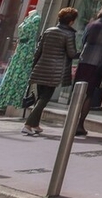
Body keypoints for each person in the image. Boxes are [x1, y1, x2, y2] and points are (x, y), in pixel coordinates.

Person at [23, 7, 79, 136]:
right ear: (71, 21)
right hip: (55, 70)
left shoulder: (48, 31)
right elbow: (71, 53)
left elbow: (38, 51)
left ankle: (35, 124)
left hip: (41, 67)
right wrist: (80, 54)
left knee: (40, 96)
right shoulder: (69, 34)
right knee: (45, 98)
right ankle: (28, 124)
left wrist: (33, 67)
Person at [72, 4, 102, 138]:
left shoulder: (92, 24)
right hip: (98, 63)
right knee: (89, 94)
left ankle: (71, 122)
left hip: (85, 60)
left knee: (78, 92)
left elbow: (83, 40)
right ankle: (80, 124)